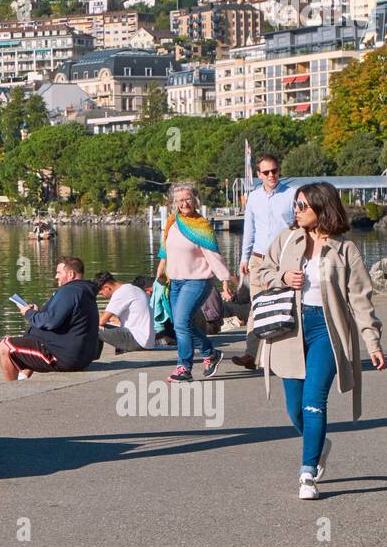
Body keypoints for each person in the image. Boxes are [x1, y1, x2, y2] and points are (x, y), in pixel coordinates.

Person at [251, 183, 385, 500]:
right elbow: (259, 272)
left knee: (314, 401)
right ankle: (320, 443)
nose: (296, 211)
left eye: (302, 206)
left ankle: (307, 473)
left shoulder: (345, 250)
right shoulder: (286, 241)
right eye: (295, 205)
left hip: (327, 329)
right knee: (294, 408)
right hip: (289, 330)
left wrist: (373, 342)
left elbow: (362, 300)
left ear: (321, 208)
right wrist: (282, 278)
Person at [156, 184, 233, 382]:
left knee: (181, 322)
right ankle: (210, 353)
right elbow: (166, 247)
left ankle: (184, 367)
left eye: (188, 198)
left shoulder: (202, 226)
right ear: (175, 203)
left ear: (195, 200)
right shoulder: (172, 221)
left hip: (198, 280)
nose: (184, 203)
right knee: (182, 323)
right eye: (180, 200)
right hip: (175, 281)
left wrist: (225, 281)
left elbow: (213, 256)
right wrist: (161, 268)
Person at [230, 153, 295, 371]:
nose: (271, 175)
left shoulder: (292, 194)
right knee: (257, 306)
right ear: (259, 175)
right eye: (266, 172)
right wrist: (244, 257)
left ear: (279, 171)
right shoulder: (253, 197)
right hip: (258, 259)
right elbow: (249, 229)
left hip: (284, 259)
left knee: (286, 306)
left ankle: (284, 354)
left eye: (274, 171)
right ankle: (251, 354)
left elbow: (298, 227)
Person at [0, 257, 101, 380]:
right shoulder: (83, 291)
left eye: (58, 273)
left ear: (71, 274)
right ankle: (23, 377)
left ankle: (11, 392)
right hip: (81, 357)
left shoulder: (69, 291)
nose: (56, 277)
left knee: (6, 346)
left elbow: (50, 322)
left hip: (65, 358)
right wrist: (38, 312)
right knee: (33, 337)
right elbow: (58, 318)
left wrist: (28, 313)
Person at [93, 271, 155, 353]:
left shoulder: (121, 293)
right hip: (146, 340)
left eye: (102, 293)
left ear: (106, 287)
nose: (103, 296)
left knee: (92, 326)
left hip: (138, 340)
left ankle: (90, 358)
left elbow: (101, 321)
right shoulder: (133, 288)